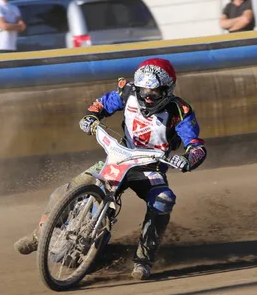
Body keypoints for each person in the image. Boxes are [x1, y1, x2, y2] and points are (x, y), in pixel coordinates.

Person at [14, 58, 207, 280]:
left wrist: (188, 159)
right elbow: (102, 104)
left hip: (150, 168)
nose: (146, 96)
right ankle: (40, 236)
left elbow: (196, 145)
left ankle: (143, 260)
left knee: (163, 199)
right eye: (143, 90)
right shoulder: (127, 91)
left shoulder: (180, 111)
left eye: (152, 92)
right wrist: (90, 117)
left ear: (167, 90)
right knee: (66, 190)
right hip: (119, 156)